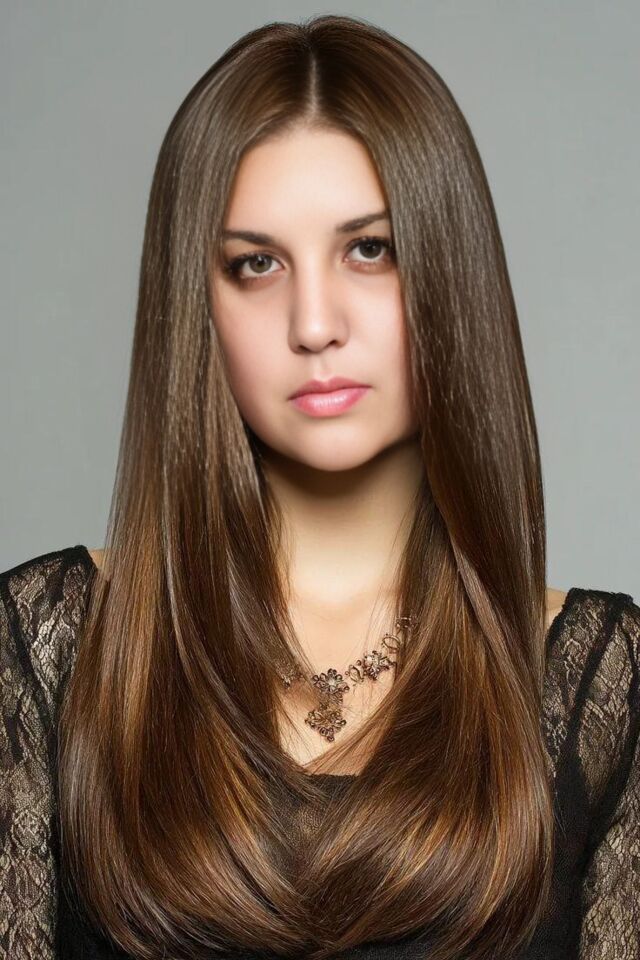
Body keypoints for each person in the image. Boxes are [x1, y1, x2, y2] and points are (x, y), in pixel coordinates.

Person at [1, 13, 638, 960]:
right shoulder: (46, 649)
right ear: (197, 303)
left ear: (449, 271)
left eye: (368, 249)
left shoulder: (600, 686)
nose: (313, 323)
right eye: (256, 264)